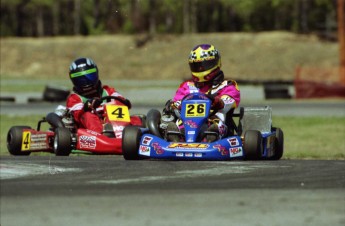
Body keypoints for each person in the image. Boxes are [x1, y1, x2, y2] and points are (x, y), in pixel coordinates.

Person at [162, 44, 241, 142]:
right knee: (178, 123)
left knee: (216, 124)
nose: (200, 69)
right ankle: (176, 136)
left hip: (213, 120)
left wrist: (219, 102)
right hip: (187, 122)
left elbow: (229, 101)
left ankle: (211, 136)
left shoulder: (227, 85)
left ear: (214, 63)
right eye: (196, 66)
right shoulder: (186, 86)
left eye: (204, 65)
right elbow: (177, 101)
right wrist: (175, 105)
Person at [66, 57, 132, 134]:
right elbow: (77, 115)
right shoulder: (74, 98)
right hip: (89, 132)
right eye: (81, 80)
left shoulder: (107, 91)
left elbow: (119, 99)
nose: (87, 83)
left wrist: (123, 102)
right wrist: (87, 106)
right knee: (87, 115)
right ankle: (103, 134)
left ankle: (124, 132)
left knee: (137, 118)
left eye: (90, 77)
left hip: (115, 125)